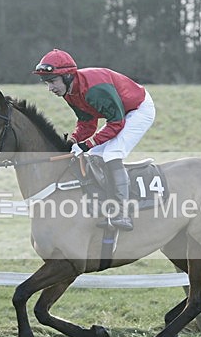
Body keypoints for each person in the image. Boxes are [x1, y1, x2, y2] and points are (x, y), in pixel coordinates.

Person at [32, 49, 155, 231]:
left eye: (52, 81)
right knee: (95, 155)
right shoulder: (69, 92)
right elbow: (87, 123)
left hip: (139, 109)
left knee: (112, 153)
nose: (50, 88)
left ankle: (123, 212)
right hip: (121, 114)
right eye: (47, 83)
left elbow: (116, 123)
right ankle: (106, 205)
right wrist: (73, 141)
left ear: (67, 76)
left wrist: (87, 144)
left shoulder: (94, 89)